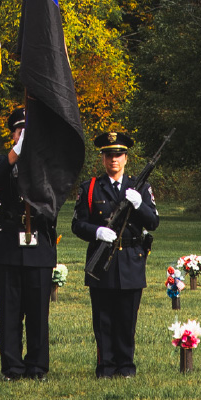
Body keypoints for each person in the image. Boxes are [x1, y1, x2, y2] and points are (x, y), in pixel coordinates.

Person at [71, 130, 159, 379]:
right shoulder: (90, 188)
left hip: (131, 258)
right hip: (102, 261)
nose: (114, 160)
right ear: (102, 158)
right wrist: (97, 231)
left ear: (126, 158)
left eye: (118, 155)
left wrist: (139, 205)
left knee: (127, 318)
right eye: (109, 155)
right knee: (103, 319)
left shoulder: (140, 187)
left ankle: (126, 367)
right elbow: (77, 224)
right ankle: (106, 367)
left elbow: (153, 222)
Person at [0, 106, 57, 380]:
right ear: (13, 135)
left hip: (38, 246)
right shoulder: (1, 160)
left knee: (38, 312)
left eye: (30, 131)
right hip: (9, 247)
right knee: (9, 311)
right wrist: (17, 154)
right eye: (20, 131)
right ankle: (12, 367)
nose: (24, 135)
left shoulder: (48, 164)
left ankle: (37, 366)